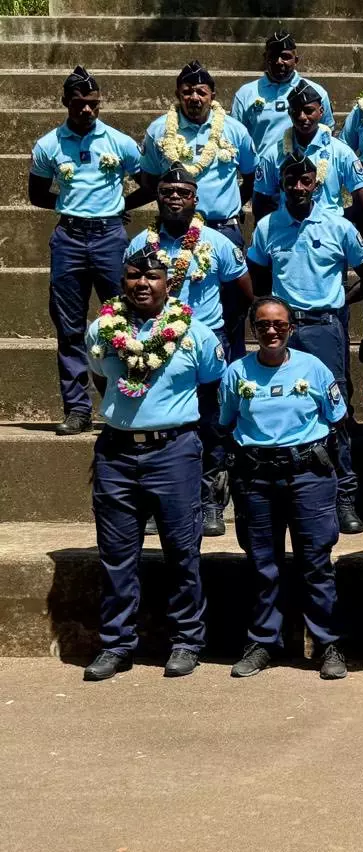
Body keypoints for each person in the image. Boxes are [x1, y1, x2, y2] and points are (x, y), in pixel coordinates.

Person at [81, 248, 225, 681]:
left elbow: (210, 388)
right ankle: (117, 644)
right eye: (132, 276)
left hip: (174, 451)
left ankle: (186, 641)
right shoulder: (103, 330)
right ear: (123, 282)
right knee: (116, 556)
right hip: (117, 453)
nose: (142, 283)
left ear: (168, 283)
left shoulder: (195, 335)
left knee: (182, 554)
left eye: (152, 277)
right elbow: (102, 376)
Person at [219, 297, 348, 680]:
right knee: (263, 564)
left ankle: (328, 644)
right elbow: (226, 422)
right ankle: (262, 641)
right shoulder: (236, 373)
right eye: (262, 325)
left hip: (307, 474)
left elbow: (336, 419)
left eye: (279, 324)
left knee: (315, 562)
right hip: (256, 477)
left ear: (291, 327)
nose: (271, 330)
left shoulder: (315, 368)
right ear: (253, 329)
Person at [246, 150, 363, 534]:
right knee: (284, 401)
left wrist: (339, 303)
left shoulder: (338, 226)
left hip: (324, 327)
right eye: (291, 181)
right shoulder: (267, 227)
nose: (298, 188)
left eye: (305, 181)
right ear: (281, 185)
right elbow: (258, 276)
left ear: (316, 184)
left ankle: (345, 497)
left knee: (334, 408)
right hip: (282, 330)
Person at [124, 165, 252, 536]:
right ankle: (153, 502)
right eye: (167, 192)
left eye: (183, 192)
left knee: (210, 423)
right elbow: (130, 294)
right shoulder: (141, 246)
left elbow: (243, 293)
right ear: (157, 197)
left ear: (195, 198)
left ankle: (210, 500)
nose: (175, 198)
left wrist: (215, 337)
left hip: (205, 341)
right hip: (153, 344)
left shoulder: (218, 242)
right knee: (158, 421)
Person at [29, 66, 146, 436]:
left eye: (93, 104)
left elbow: (148, 183)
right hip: (69, 239)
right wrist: (74, 206)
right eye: (80, 103)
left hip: (110, 236)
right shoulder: (49, 145)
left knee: (122, 320)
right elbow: (36, 193)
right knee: (69, 326)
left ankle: (125, 400)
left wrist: (116, 205)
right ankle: (77, 408)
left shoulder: (119, 141)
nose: (88, 111)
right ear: (66, 102)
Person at [139, 61, 255, 249]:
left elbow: (250, 179)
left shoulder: (235, 130)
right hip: (175, 229)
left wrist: (228, 208)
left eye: (201, 92)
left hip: (222, 227)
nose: (194, 98)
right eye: (187, 92)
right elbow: (148, 180)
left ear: (212, 96)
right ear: (178, 95)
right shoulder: (158, 131)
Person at [252, 79, 363, 222]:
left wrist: (337, 225)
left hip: (329, 234)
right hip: (288, 233)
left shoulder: (341, 152)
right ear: (289, 113)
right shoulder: (273, 154)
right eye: (296, 111)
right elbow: (260, 204)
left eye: (309, 111)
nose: (302, 117)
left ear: (321, 111)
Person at [231, 31, 334, 151]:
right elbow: (235, 136)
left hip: (305, 168)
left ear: (296, 60)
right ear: (265, 58)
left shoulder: (316, 92)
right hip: (262, 167)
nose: (279, 62)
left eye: (285, 57)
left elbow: (328, 130)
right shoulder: (245, 94)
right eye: (273, 56)